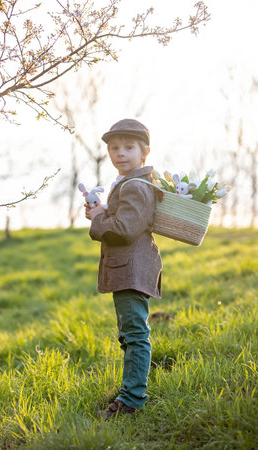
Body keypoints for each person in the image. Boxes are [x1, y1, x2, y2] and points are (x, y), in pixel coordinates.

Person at [85, 118, 162, 420]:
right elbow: (123, 220)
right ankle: (129, 391)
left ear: (145, 152)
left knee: (134, 334)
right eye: (114, 148)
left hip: (132, 270)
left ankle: (132, 400)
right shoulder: (127, 184)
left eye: (128, 147)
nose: (120, 153)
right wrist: (102, 212)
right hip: (127, 269)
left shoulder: (136, 187)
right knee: (129, 333)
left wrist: (98, 222)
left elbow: (125, 230)